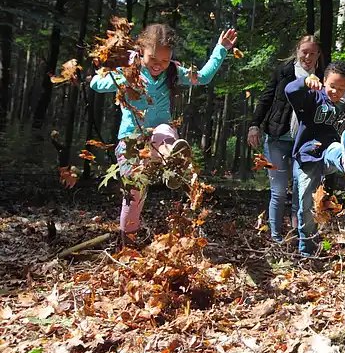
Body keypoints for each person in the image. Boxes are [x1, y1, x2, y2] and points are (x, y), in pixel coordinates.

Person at [91, 23, 237, 235]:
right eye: (153, 59)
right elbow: (96, 83)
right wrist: (118, 72)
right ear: (141, 51)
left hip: (160, 137)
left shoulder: (173, 72)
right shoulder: (128, 71)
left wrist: (221, 49)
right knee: (134, 196)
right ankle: (128, 242)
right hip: (131, 141)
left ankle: (172, 159)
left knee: (164, 131)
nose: (158, 65)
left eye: (165, 60)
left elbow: (203, 77)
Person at [247, 36, 324, 242]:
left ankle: (299, 235)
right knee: (279, 191)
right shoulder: (284, 72)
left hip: (305, 144)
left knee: (302, 190)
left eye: (312, 53)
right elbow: (266, 98)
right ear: (297, 50)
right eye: (304, 52)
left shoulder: (322, 78)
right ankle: (276, 237)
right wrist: (254, 125)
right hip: (277, 138)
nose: (308, 57)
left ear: (318, 55)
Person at [285, 61, 345, 257]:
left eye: (341, 89)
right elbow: (290, 91)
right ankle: (307, 250)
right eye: (332, 86)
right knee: (306, 205)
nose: (336, 92)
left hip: (328, 153)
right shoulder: (313, 97)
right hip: (307, 156)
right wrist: (305, 82)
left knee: (335, 149)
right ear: (324, 80)